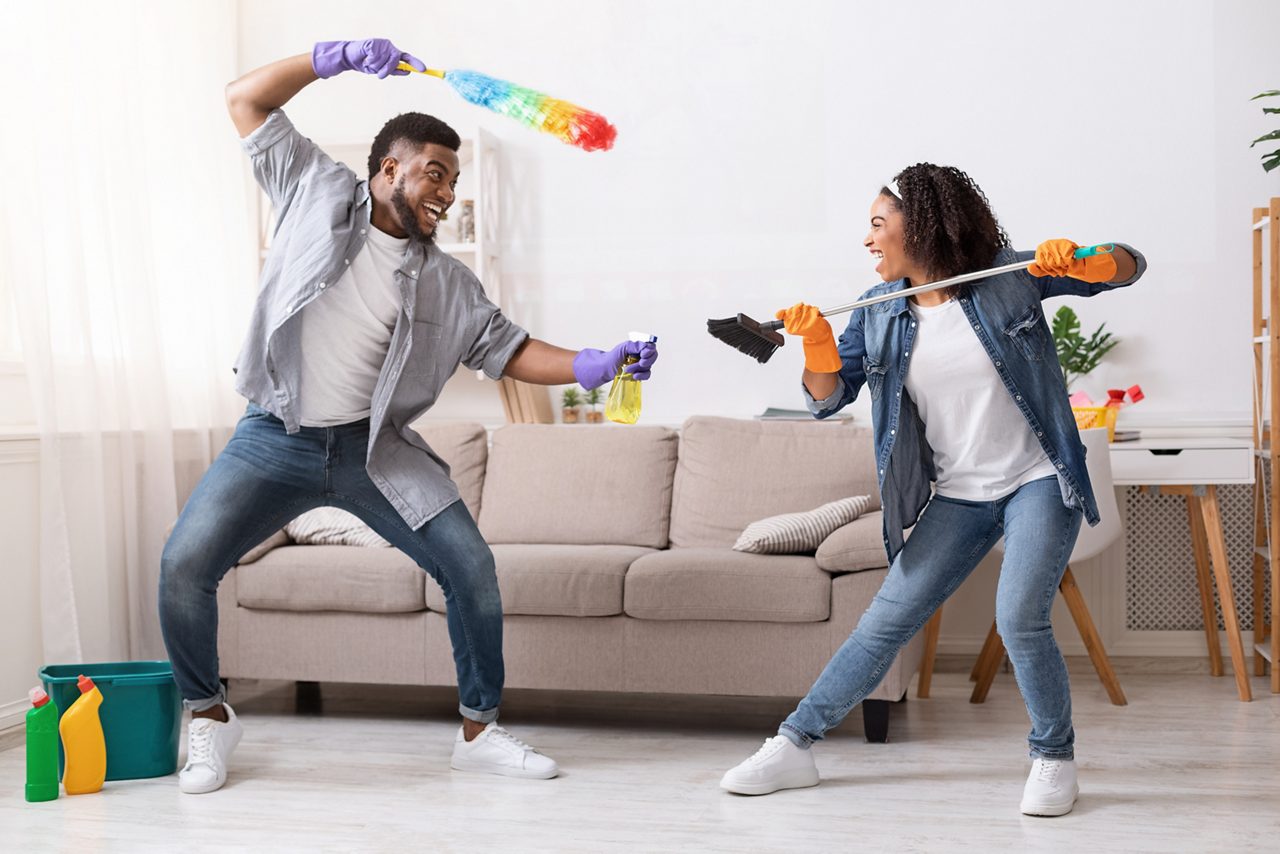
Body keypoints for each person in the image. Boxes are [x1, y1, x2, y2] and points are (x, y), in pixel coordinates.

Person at [159, 38, 658, 795]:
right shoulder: (313, 189)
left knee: (472, 570)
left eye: (452, 181)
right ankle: (210, 717)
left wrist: (598, 363)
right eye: (432, 172)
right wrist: (330, 61)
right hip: (275, 435)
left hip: (373, 452)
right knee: (182, 567)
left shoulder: (449, 283)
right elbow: (245, 99)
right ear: (385, 169)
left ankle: (480, 731)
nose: (443, 193)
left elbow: (510, 348)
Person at [717, 163, 1145, 816]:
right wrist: (817, 347)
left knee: (1018, 616)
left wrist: (1088, 260)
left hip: (1037, 478)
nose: (867, 239)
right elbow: (827, 401)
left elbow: (1130, 264)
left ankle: (1054, 757)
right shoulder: (878, 310)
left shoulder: (1007, 275)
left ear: (921, 226)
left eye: (877, 224)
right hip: (959, 495)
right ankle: (793, 747)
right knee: (884, 623)